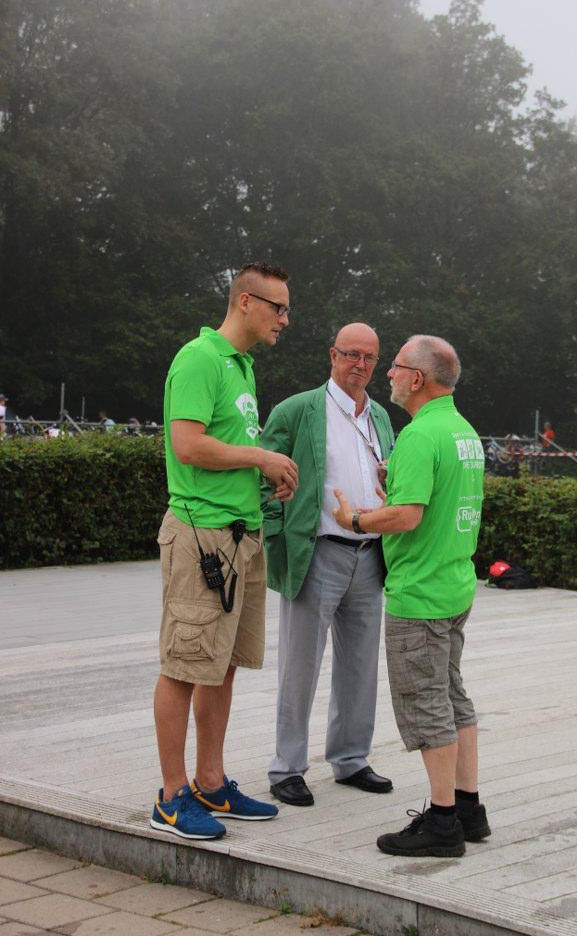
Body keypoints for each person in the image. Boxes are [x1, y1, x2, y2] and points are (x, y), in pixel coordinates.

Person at [150, 261, 298, 842]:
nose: (285, 319)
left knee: (222, 664)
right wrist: (261, 458)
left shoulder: (242, 368)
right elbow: (187, 445)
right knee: (183, 665)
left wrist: (267, 477)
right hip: (200, 537)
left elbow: (227, 447)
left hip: (242, 535)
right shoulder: (199, 359)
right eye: (277, 307)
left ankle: (211, 784)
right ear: (244, 301)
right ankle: (170, 796)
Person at [333, 335, 490, 858]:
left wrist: (353, 518)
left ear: (418, 378)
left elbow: (408, 516)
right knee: (452, 697)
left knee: (427, 706)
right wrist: (393, 480)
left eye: (396, 367)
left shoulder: (422, 435)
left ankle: (443, 822)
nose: (388, 376)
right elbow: (433, 498)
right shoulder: (462, 431)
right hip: (453, 583)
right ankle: (469, 809)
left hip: (419, 593)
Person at [261, 323, 395, 807]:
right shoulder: (298, 410)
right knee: (300, 665)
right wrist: (276, 537)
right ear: (332, 355)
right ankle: (287, 767)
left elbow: (391, 478)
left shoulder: (380, 415)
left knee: (360, 664)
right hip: (318, 550)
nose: (359, 365)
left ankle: (351, 758)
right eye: (350, 354)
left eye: (369, 358)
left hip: (369, 554)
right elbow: (262, 476)